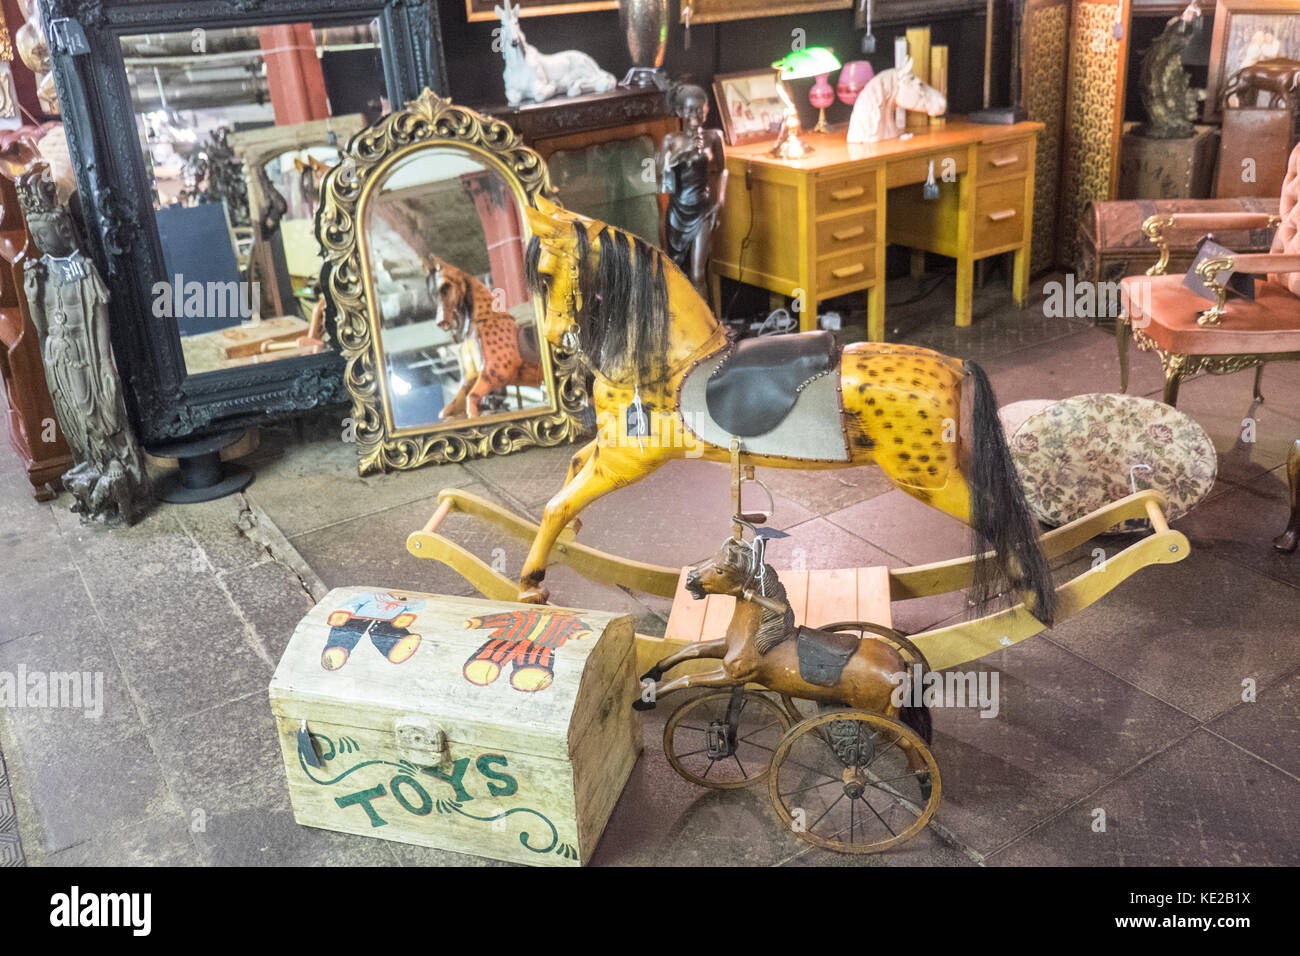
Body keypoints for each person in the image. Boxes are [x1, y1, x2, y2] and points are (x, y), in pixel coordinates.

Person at [658, 84, 728, 294]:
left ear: (706, 110)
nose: (695, 114)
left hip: (703, 211)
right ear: (680, 112)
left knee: (699, 274)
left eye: (700, 109)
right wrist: (684, 152)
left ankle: (706, 326)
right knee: (678, 273)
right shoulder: (671, 140)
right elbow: (659, 174)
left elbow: (723, 171)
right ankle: (683, 322)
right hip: (677, 213)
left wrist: (720, 202)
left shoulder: (714, 137)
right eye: (690, 110)